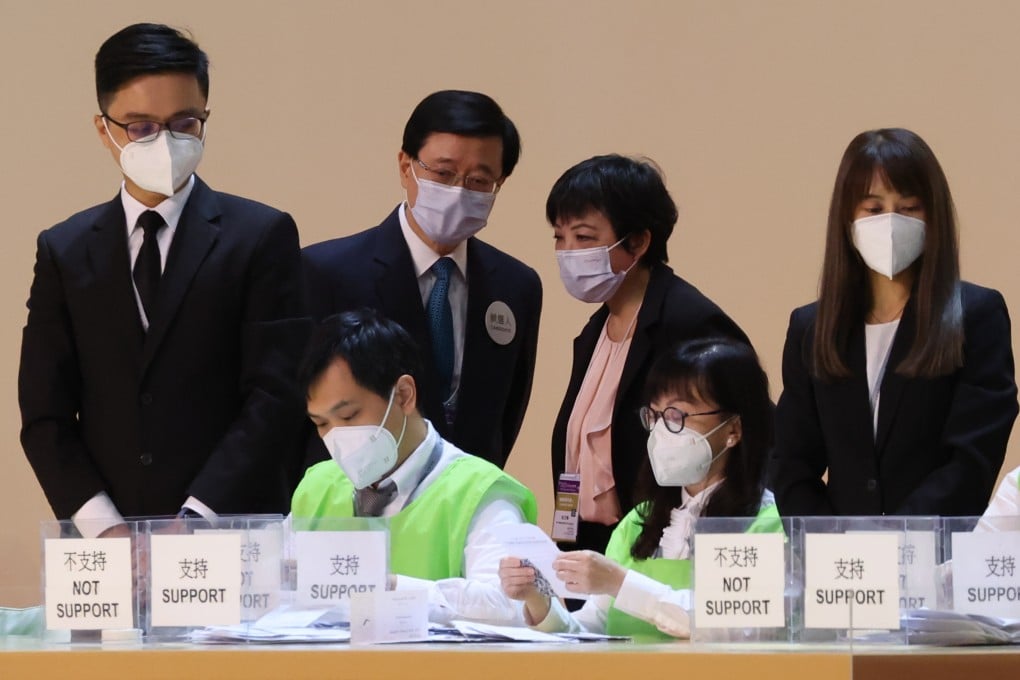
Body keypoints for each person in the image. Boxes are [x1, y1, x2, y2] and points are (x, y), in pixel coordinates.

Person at [18, 24, 306, 537]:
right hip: (102, 547)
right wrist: (104, 526)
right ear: (104, 128)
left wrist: (195, 518)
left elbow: (275, 395)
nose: (165, 141)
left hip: (229, 531)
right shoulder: (63, 249)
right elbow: (45, 414)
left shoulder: (261, 236)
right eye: (141, 127)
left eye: (184, 122)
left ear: (205, 119)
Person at [771, 128, 1018, 517]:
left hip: (934, 557)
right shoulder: (812, 327)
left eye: (908, 208)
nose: (889, 222)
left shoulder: (976, 314)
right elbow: (791, 464)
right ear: (847, 219)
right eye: (872, 209)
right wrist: (836, 541)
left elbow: (973, 459)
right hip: (842, 564)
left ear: (932, 216)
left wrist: (898, 541)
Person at [301, 90, 541, 469]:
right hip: (356, 510)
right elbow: (302, 415)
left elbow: (505, 416)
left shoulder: (516, 286)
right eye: (443, 174)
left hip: (466, 507)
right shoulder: (327, 271)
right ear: (405, 166)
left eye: (479, 180)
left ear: (501, 182)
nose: (459, 191)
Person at [501, 338, 777, 639]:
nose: (661, 431)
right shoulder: (638, 523)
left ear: (733, 430)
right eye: (655, 416)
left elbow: (727, 625)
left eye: (677, 416)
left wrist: (619, 582)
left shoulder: (768, 524)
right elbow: (592, 631)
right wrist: (539, 602)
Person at [548, 154, 750, 556]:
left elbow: (749, 434)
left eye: (584, 238)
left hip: (660, 544)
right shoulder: (595, 331)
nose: (568, 252)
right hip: (586, 541)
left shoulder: (689, 322)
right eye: (559, 237)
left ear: (638, 241)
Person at [291, 309, 538, 624]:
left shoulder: (479, 492)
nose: (336, 437)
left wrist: (388, 587)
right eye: (321, 423)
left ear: (404, 396)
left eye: (349, 416)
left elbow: (512, 607)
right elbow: (280, 584)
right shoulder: (317, 487)